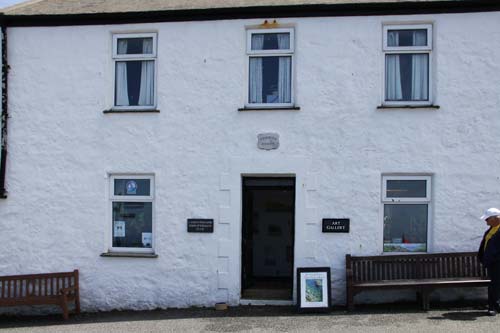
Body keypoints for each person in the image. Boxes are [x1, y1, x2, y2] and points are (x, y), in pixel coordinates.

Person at [478, 208, 500, 316]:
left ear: (496, 218)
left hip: (497, 262)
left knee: (495, 285)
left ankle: (494, 306)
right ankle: (494, 305)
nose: (485, 221)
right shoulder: (492, 228)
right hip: (491, 262)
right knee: (494, 284)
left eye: (487, 219)